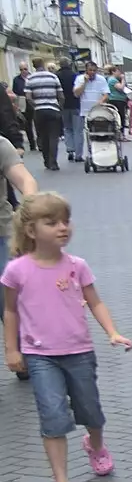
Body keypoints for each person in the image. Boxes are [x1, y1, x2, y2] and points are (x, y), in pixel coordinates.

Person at [3, 192, 132, 482]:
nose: (62, 227)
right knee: (52, 415)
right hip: (40, 354)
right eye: (52, 223)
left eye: (65, 221)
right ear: (32, 231)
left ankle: (96, 445)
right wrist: (11, 350)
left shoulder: (77, 266)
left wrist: (112, 332)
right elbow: (10, 312)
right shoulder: (17, 270)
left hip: (79, 351)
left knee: (90, 410)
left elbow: (94, 301)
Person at [0, 124, 40, 378]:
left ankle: (22, 349)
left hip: (1, 232)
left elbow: (25, 179)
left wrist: (28, 206)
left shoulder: (0, 144)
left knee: (8, 293)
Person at [25, 58, 63, 171]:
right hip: (53, 109)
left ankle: (46, 161)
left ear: (33, 65)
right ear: (43, 64)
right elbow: (61, 95)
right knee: (53, 137)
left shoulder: (30, 78)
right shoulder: (53, 77)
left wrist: (35, 106)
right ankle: (53, 162)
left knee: (43, 136)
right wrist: (59, 107)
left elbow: (28, 97)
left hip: (39, 111)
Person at [72, 60, 110, 159]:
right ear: (86, 70)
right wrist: (84, 82)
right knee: (82, 133)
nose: (92, 72)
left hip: (97, 110)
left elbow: (106, 94)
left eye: (94, 70)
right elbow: (76, 94)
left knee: (96, 132)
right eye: (90, 70)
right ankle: (81, 154)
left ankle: (97, 152)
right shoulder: (79, 79)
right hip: (84, 111)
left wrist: (100, 102)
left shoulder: (101, 79)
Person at [59, 61, 80, 162]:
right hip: (75, 105)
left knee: (67, 128)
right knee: (77, 130)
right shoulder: (75, 76)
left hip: (63, 106)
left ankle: (70, 150)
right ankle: (78, 153)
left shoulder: (56, 76)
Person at [12, 64, 35, 152]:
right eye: (21, 69)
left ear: (28, 69)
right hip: (23, 102)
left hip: (32, 101)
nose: (23, 71)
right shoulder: (16, 80)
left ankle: (40, 143)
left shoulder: (32, 77)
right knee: (27, 123)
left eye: (25, 69)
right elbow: (15, 92)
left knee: (36, 122)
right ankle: (32, 143)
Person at [106, 71, 130, 136]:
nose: (120, 74)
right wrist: (123, 79)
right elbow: (121, 88)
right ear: (113, 72)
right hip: (116, 100)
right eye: (118, 72)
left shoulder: (114, 79)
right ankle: (120, 134)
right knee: (120, 117)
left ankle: (119, 133)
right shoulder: (112, 80)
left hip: (119, 100)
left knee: (120, 117)